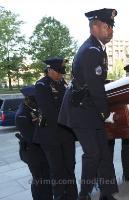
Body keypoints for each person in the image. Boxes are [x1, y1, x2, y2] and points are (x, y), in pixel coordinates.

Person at [58, 8, 118, 200]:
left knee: (104, 153)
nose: (111, 30)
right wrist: (106, 113)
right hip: (80, 111)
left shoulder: (97, 47)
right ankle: (83, 195)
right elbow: (95, 87)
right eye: (107, 26)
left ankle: (107, 193)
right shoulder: (91, 50)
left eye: (111, 27)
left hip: (89, 108)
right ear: (94, 26)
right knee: (93, 154)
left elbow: (96, 82)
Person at [33, 56, 78, 200]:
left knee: (70, 168)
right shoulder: (42, 85)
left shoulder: (63, 84)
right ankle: (60, 197)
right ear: (50, 70)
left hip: (66, 134)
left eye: (61, 72)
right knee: (57, 171)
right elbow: (49, 111)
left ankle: (72, 196)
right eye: (58, 71)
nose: (60, 74)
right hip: (51, 135)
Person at [15, 86, 53, 200]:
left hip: (41, 151)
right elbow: (32, 137)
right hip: (33, 153)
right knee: (39, 180)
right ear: (28, 99)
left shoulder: (33, 109)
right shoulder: (22, 114)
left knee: (46, 178)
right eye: (36, 99)